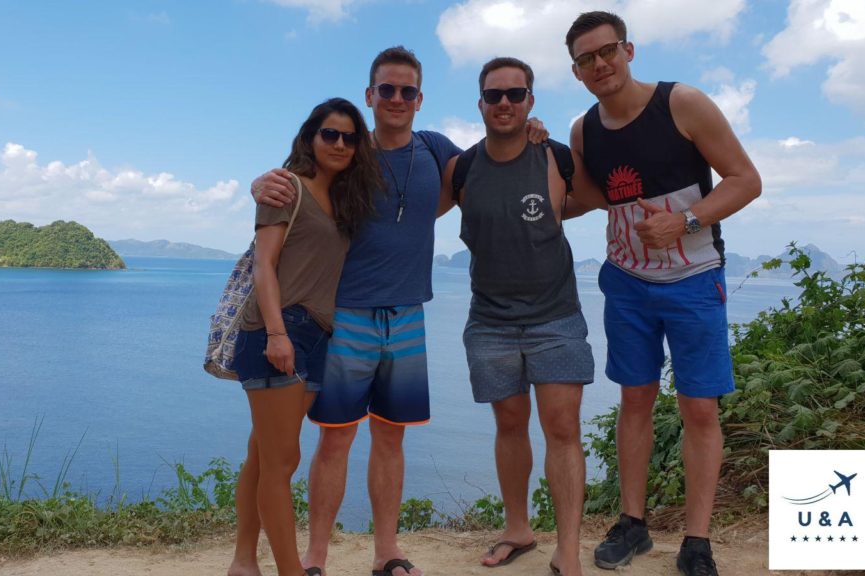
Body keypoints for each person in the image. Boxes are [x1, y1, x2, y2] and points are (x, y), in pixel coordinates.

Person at [249, 46, 545, 576]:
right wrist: (261, 183)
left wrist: (530, 131)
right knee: (334, 438)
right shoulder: (346, 154)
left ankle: (387, 551)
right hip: (346, 316)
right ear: (370, 95)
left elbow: (494, 159)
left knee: (391, 436)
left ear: (420, 98)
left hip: (408, 315)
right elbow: (295, 185)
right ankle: (316, 555)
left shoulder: (435, 151)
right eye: (386, 89)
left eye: (407, 91)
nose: (397, 99)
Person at [565, 11, 762, 576]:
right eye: (585, 58)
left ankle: (697, 542)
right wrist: (539, 150)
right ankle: (633, 524)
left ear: (629, 50)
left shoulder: (682, 103)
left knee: (699, 408)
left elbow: (745, 179)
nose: (599, 64)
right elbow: (579, 198)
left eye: (607, 51)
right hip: (626, 281)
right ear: (576, 71)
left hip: (694, 278)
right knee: (635, 401)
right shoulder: (584, 131)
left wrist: (688, 221)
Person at [440, 57, 595, 576]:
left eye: (515, 94)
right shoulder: (459, 168)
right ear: (480, 103)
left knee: (562, 427)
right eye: (493, 95)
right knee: (509, 423)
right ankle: (518, 529)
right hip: (489, 320)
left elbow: (596, 197)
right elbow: (406, 207)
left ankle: (568, 548)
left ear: (531, 100)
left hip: (556, 315)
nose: (503, 103)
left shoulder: (553, 156)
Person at [227, 97, 382, 576]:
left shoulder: (341, 200)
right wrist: (276, 334)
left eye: (349, 137)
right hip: (279, 332)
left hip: (315, 335)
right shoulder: (285, 188)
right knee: (283, 460)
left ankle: (243, 562)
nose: (339, 143)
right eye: (329, 134)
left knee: (262, 455)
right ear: (311, 137)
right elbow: (263, 265)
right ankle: (291, 571)